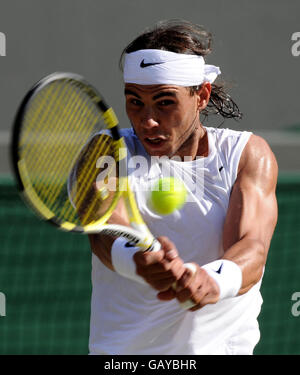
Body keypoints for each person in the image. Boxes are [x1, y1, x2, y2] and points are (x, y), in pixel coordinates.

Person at [88, 19, 278, 355]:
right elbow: (104, 230)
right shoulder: (108, 151)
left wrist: (212, 280)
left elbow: (252, 248)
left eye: (165, 102)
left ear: (201, 95)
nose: (147, 120)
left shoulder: (246, 154)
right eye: (135, 101)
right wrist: (137, 261)